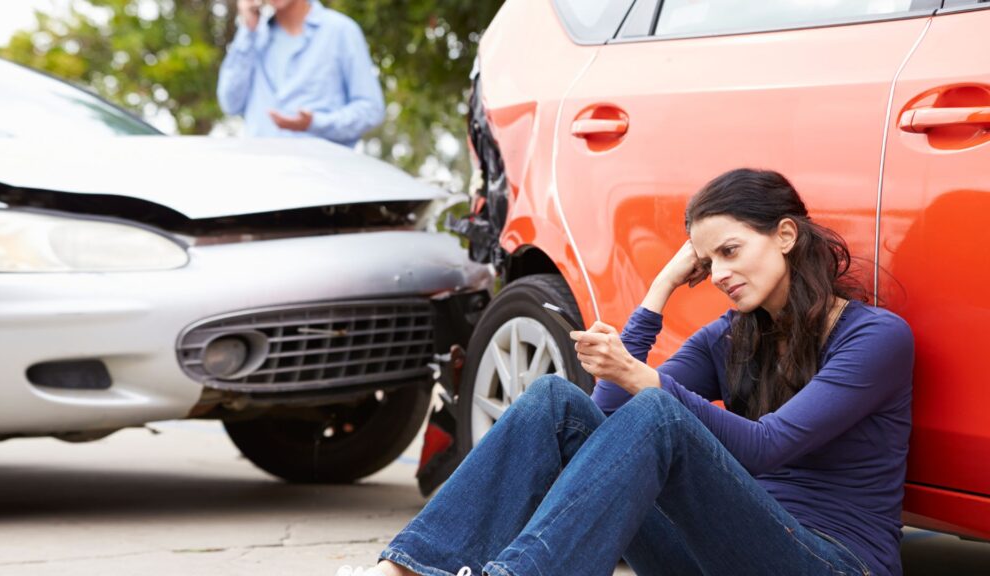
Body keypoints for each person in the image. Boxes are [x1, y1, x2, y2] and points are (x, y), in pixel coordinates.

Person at [338, 168, 914, 576]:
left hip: (827, 560)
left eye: (731, 252)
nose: (717, 274)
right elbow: (603, 421)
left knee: (659, 410)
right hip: (716, 554)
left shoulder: (875, 338)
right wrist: (660, 289)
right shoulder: (732, 337)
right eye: (706, 261)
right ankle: (404, 573)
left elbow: (767, 448)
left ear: (785, 235)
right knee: (555, 402)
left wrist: (644, 379)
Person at [217, 0, 384, 147]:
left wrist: (316, 123)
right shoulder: (254, 38)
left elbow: (370, 109)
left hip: (324, 173)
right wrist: (248, 31)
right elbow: (230, 104)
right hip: (264, 171)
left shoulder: (340, 31)